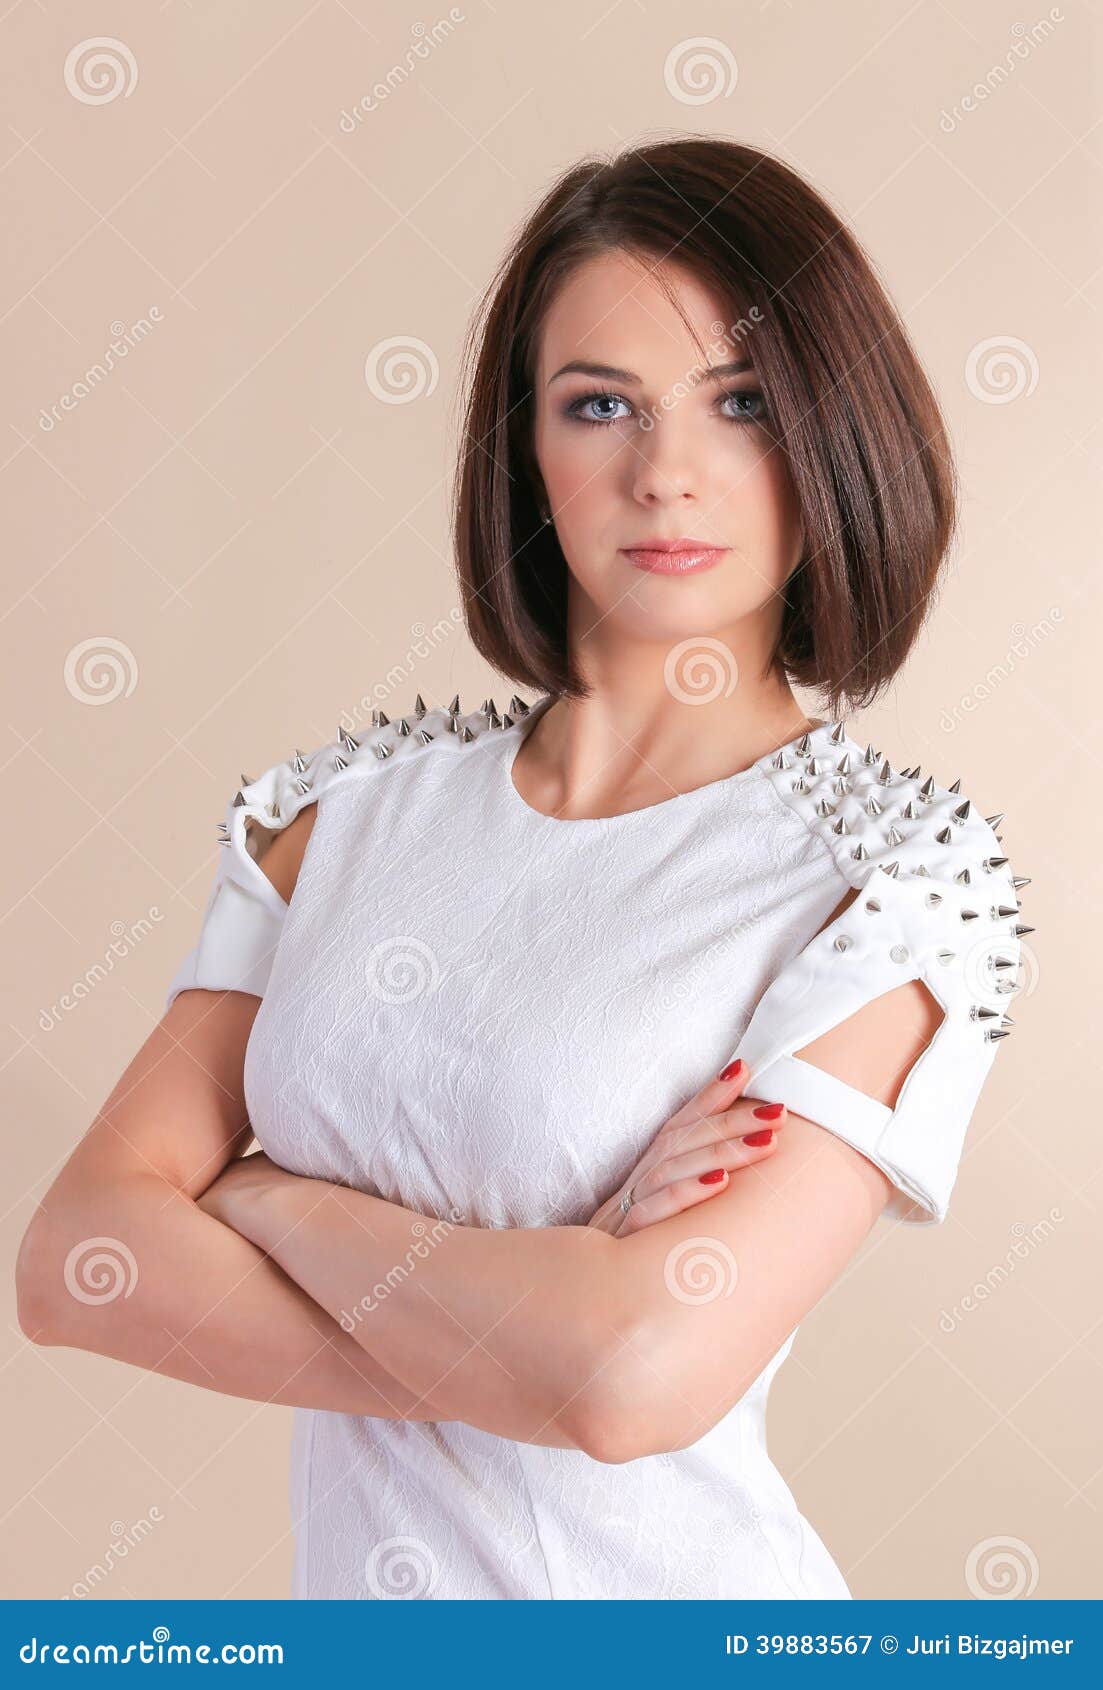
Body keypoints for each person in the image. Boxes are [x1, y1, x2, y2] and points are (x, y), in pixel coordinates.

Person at [17, 138, 1030, 1601]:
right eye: (598, 403)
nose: (665, 472)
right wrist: (538, 1307)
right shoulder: (334, 818)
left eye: (739, 403)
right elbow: (78, 1262)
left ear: (830, 435)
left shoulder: (894, 881)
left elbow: (633, 1375)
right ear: (526, 453)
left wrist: (262, 1195)